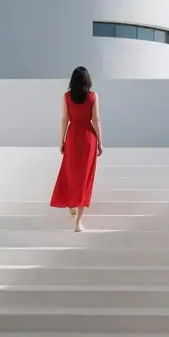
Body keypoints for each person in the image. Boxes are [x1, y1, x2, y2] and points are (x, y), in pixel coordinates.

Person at [50, 66, 103, 231]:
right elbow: (96, 120)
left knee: (70, 173)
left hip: (72, 136)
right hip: (88, 138)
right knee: (84, 178)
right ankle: (79, 222)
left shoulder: (66, 97)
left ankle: (71, 205)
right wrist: (100, 143)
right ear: (88, 80)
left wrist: (62, 140)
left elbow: (64, 119)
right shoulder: (93, 96)